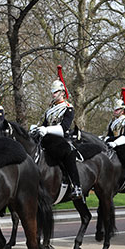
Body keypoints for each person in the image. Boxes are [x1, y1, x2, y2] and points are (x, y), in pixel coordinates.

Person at [30, 69, 83, 200]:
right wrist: (36, 128)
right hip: (47, 138)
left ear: (63, 93)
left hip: (60, 138)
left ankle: (76, 185)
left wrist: (46, 130)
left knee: (68, 152)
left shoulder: (68, 107)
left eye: (56, 92)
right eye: (52, 92)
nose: (53, 94)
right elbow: (44, 124)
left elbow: (64, 127)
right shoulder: (50, 110)